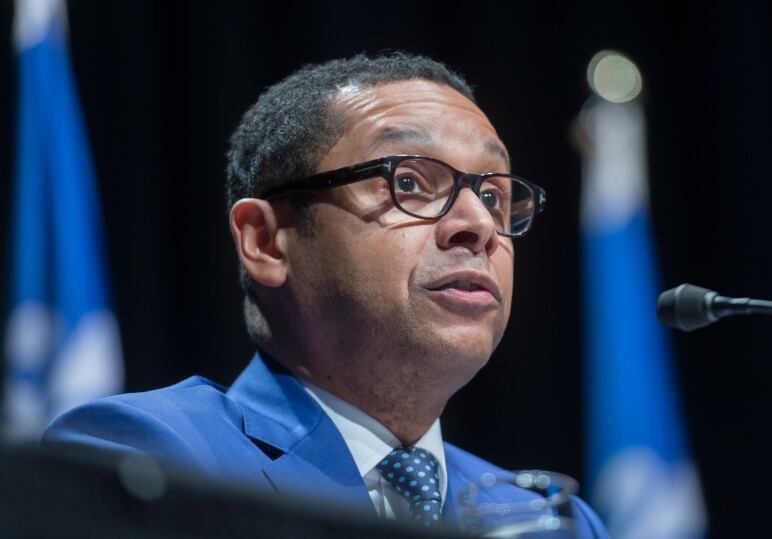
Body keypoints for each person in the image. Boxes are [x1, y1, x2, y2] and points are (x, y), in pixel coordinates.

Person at [43, 52, 608, 536]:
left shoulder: (548, 520)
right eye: (408, 182)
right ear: (266, 242)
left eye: (491, 194)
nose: (477, 225)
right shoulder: (151, 460)